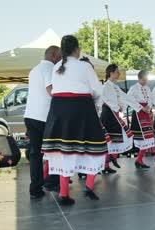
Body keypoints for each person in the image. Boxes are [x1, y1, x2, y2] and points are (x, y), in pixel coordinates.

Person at [42, 35, 107, 205]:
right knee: (95, 147)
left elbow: (55, 90)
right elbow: (98, 91)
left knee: (65, 151)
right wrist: (96, 106)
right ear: (77, 50)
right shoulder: (84, 66)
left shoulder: (56, 66)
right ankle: (89, 186)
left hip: (59, 110)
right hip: (81, 108)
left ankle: (64, 192)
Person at [24, 45, 62, 199]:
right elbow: (51, 90)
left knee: (35, 154)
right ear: (52, 55)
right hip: (44, 117)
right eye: (59, 57)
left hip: (30, 115)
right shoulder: (48, 69)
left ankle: (35, 188)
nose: (60, 60)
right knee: (54, 150)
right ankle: (52, 182)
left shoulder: (33, 70)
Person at [100, 64, 137, 173]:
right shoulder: (106, 86)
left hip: (114, 114)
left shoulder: (114, 86)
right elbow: (104, 99)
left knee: (120, 137)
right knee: (110, 140)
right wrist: (118, 106)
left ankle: (111, 159)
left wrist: (135, 105)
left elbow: (124, 97)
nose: (119, 74)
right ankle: (108, 162)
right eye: (117, 72)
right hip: (108, 114)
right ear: (111, 73)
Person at [127, 70, 155, 169]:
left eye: (146, 79)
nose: (145, 81)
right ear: (139, 78)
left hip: (146, 113)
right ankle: (139, 159)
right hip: (138, 113)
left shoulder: (147, 88)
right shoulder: (133, 88)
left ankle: (139, 159)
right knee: (141, 138)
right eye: (143, 80)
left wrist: (149, 107)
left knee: (148, 137)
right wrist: (140, 107)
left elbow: (151, 99)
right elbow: (128, 99)